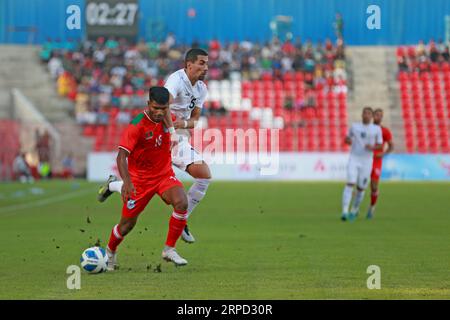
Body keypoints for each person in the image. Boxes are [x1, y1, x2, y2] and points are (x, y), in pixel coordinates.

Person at [99, 49, 212, 244]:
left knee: (203, 177)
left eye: (206, 63)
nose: (206, 67)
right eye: (201, 63)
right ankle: (181, 221)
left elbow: (195, 120)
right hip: (164, 136)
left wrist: (180, 126)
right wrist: (171, 132)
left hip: (179, 136)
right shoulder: (176, 81)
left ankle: (112, 185)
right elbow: (162, 106)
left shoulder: (202, 89)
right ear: (189, 64)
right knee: (201, 174)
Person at [104, 86, 190, 270]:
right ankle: (110, 251)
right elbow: (121, 156)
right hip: (140, 181)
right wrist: (127, 182)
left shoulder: (167, 119)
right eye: (155, 108)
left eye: (163, 108)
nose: (159, 113)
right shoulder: (137, 125)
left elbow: (179, 122)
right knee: (126, 226)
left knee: (182, 202)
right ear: (148, 104)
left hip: (164, 175)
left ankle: (169, 249)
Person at [341, 107, 382, 221]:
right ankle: (344, 211)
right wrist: (348, 140)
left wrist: (372, 147)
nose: (366, 115)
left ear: (372, 116)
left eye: (369, 113)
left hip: (367, 161)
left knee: (361, 188)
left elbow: (379, 145)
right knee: (350, 183)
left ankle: (354, 209)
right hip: (354, 158)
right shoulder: (355, 126)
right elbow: (348, 138)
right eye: (365, 113)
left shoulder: (376, 129)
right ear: (362, 115)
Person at [367, 109, 394, 219]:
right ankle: (355, 207)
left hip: (376, 161)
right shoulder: (367, 129)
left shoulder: (385, 131)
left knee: (374, 186)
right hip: (365, 159)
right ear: (373, 116)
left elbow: (391, 146)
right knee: (360, 184)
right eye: (377, 115)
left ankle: (372, 206)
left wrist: (382, 154)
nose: (378, 117)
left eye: (380, 115)